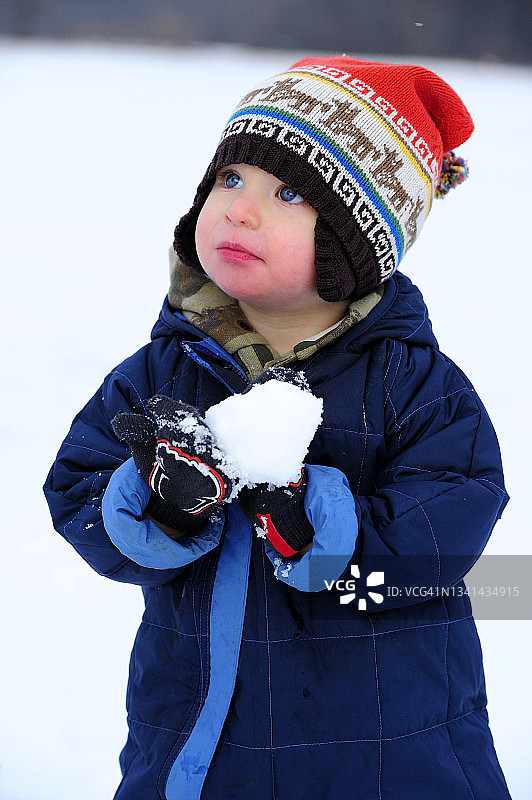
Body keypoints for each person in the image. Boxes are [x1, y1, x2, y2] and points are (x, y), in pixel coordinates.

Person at [43, 55, 512, 799]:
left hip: (389, 756)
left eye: (287, 192)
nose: (238, 208)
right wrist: (160, 505)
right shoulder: (165, 367)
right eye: (229, 180)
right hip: (202, 746)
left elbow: (452, 515)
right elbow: (77, 488)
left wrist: (315, 522)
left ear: (355, 245)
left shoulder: (413, 382)